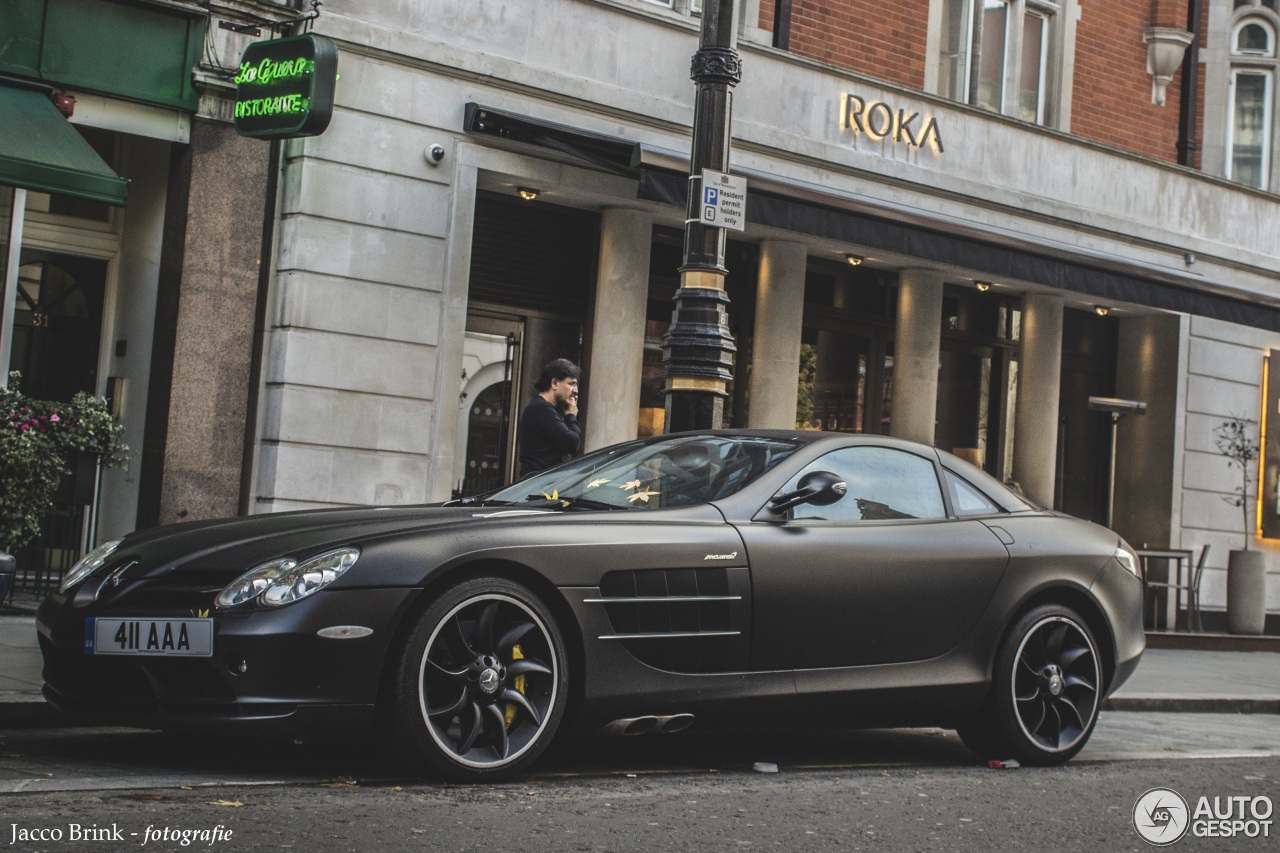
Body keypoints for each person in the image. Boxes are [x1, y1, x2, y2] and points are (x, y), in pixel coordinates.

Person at [517, 358, 581, 478]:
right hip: (540, 489)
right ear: (555, 383)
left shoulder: (548, 409)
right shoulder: (541, 409)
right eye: (571, 384)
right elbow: (571, 443)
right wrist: (571, 415)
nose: (575, 391)